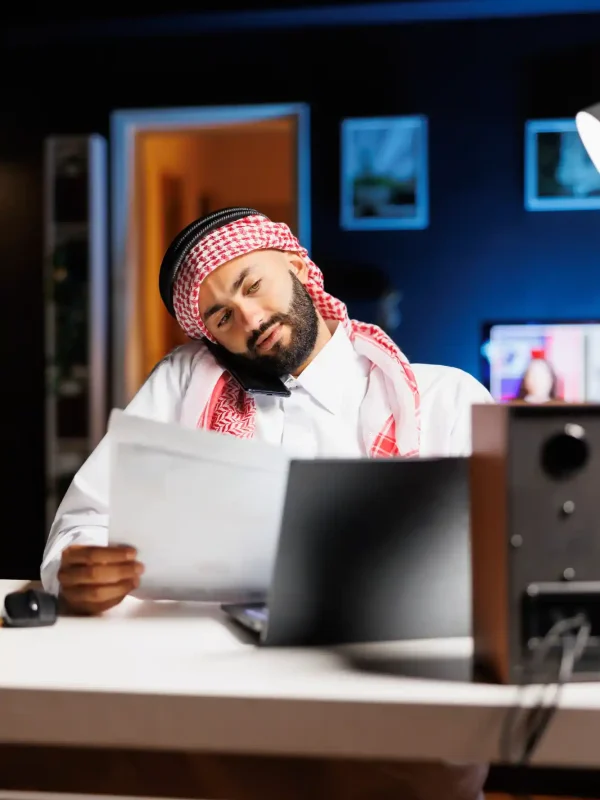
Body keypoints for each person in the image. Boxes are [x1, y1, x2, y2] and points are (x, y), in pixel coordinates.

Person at [41, 209, 492, 798]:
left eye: (253, 285)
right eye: (221, 317)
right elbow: (83, 522)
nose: (250, 319)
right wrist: (78, 569)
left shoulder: (446, 400)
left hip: (392, 722)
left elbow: (505, 562)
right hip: (216, 720)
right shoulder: (185, 384)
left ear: (298, 266)